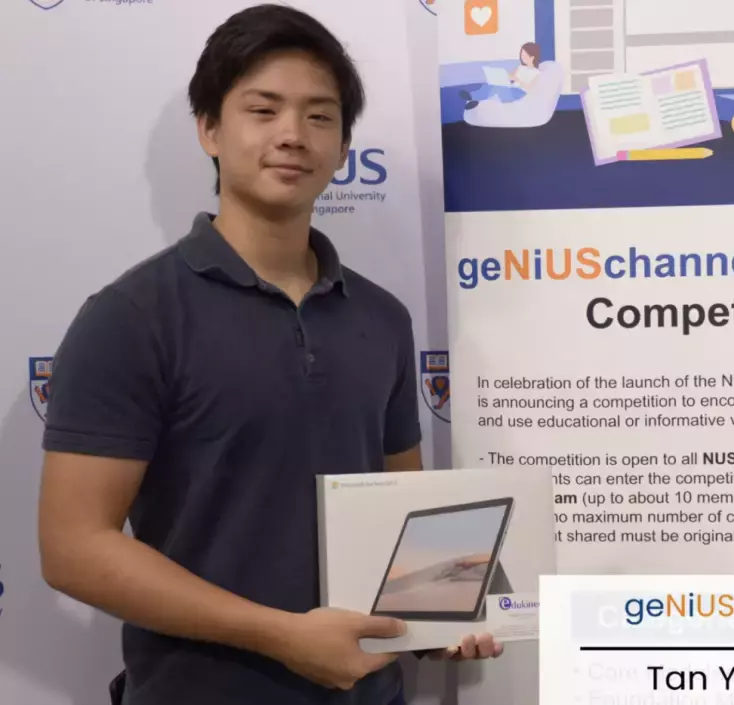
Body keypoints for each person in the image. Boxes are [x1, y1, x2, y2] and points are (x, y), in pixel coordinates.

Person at [36, 5, 501, 705]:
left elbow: (404, 521)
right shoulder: (132, 317)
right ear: (209, 129)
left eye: (319, 116)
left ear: (342, 147)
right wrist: (281, 634)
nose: (292, 134)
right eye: (263, 109)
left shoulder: (382, 317)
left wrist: (436, 619)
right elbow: (74, 547)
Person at [460, 42, 542, 110]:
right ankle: (473, 98)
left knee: (498, 88)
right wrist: (501, 75)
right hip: (510, 88)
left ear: (532, 57)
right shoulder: (520, 67)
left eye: (524, 55)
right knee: (490, 84)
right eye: (521, 54)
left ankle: (474, 98)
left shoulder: (536, 73)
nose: (522, 57)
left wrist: (518, 80)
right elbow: (510, 77)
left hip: (519, 93)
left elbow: (529, 88)